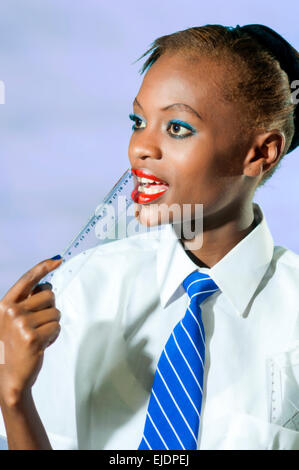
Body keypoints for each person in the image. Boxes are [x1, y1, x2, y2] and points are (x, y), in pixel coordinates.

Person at [0, 23, 299, 450]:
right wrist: (14, 397)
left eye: (177, 128)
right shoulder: (80, 291)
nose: (141, 146)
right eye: (138, 120)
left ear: (260, 153)